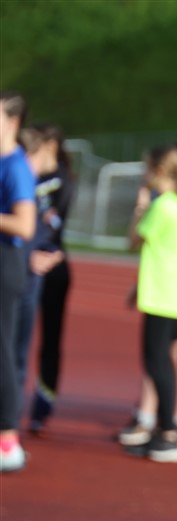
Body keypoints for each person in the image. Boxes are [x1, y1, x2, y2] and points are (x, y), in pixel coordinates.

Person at [126, 145, 177, 463]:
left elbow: (133, 240)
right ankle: (164, 427)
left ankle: (167, 430)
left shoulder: (163, 206)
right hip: (172, 294)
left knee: (156, 363)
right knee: (161, 361)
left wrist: (140, 206)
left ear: (159, 171)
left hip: (160, 295)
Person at [27, 124, 77, 435]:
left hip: (53, 266)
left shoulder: (63, 179)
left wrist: (46, 251)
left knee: (50, 339)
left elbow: (55, 223)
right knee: (15, 336)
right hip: (24, 263)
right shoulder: (24, 174)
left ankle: (43, 403)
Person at [12, 127, 62, 420]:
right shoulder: (15, 181)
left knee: (18, 357)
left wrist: (50, 252)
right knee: (10, 355)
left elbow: (42, 230)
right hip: (14, 278)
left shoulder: (33, 186)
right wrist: (27, 256)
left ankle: (9, 427)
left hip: (29, 283)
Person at [0, 91, 36, 473]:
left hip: (5, 263)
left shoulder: (15, 166)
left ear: (12, 122)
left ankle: (7, 438)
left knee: (2, 349)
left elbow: (25, 225)